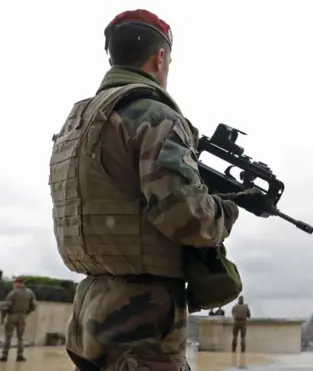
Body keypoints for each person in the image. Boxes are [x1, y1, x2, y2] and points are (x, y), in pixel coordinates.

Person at [48, 9, 242, 371]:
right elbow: (188, 219)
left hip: (91, 304)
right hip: (143, 315)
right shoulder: (154, 115)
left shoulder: (78, 122)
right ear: (161, 56)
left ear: (112, 55)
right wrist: (225, 210)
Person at [0, 277, 36, 362]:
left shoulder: (12, 293)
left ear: (17, 283)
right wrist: (27, 313)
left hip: (12, 315)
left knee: (8, 336)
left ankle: (4, 355)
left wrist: (2, 318)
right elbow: (33, 305)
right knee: (20, 337)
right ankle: (20, 355)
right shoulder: (30, 293)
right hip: (23, 316)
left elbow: (6, 306)